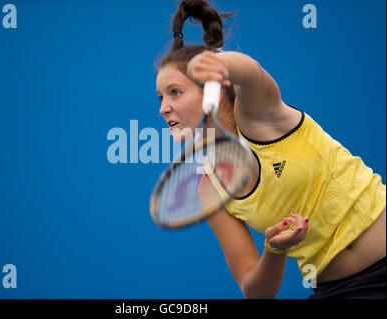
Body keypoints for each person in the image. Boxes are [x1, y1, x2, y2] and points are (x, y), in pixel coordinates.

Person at [155, 0, 386, 299]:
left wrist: (220, 64)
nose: (163, 108)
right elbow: (256, 291)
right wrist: (274, 250)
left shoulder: (257, 117)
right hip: (340, 290)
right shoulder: (211, 189)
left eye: (175, 92)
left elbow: (251, 72)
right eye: (160, 97)